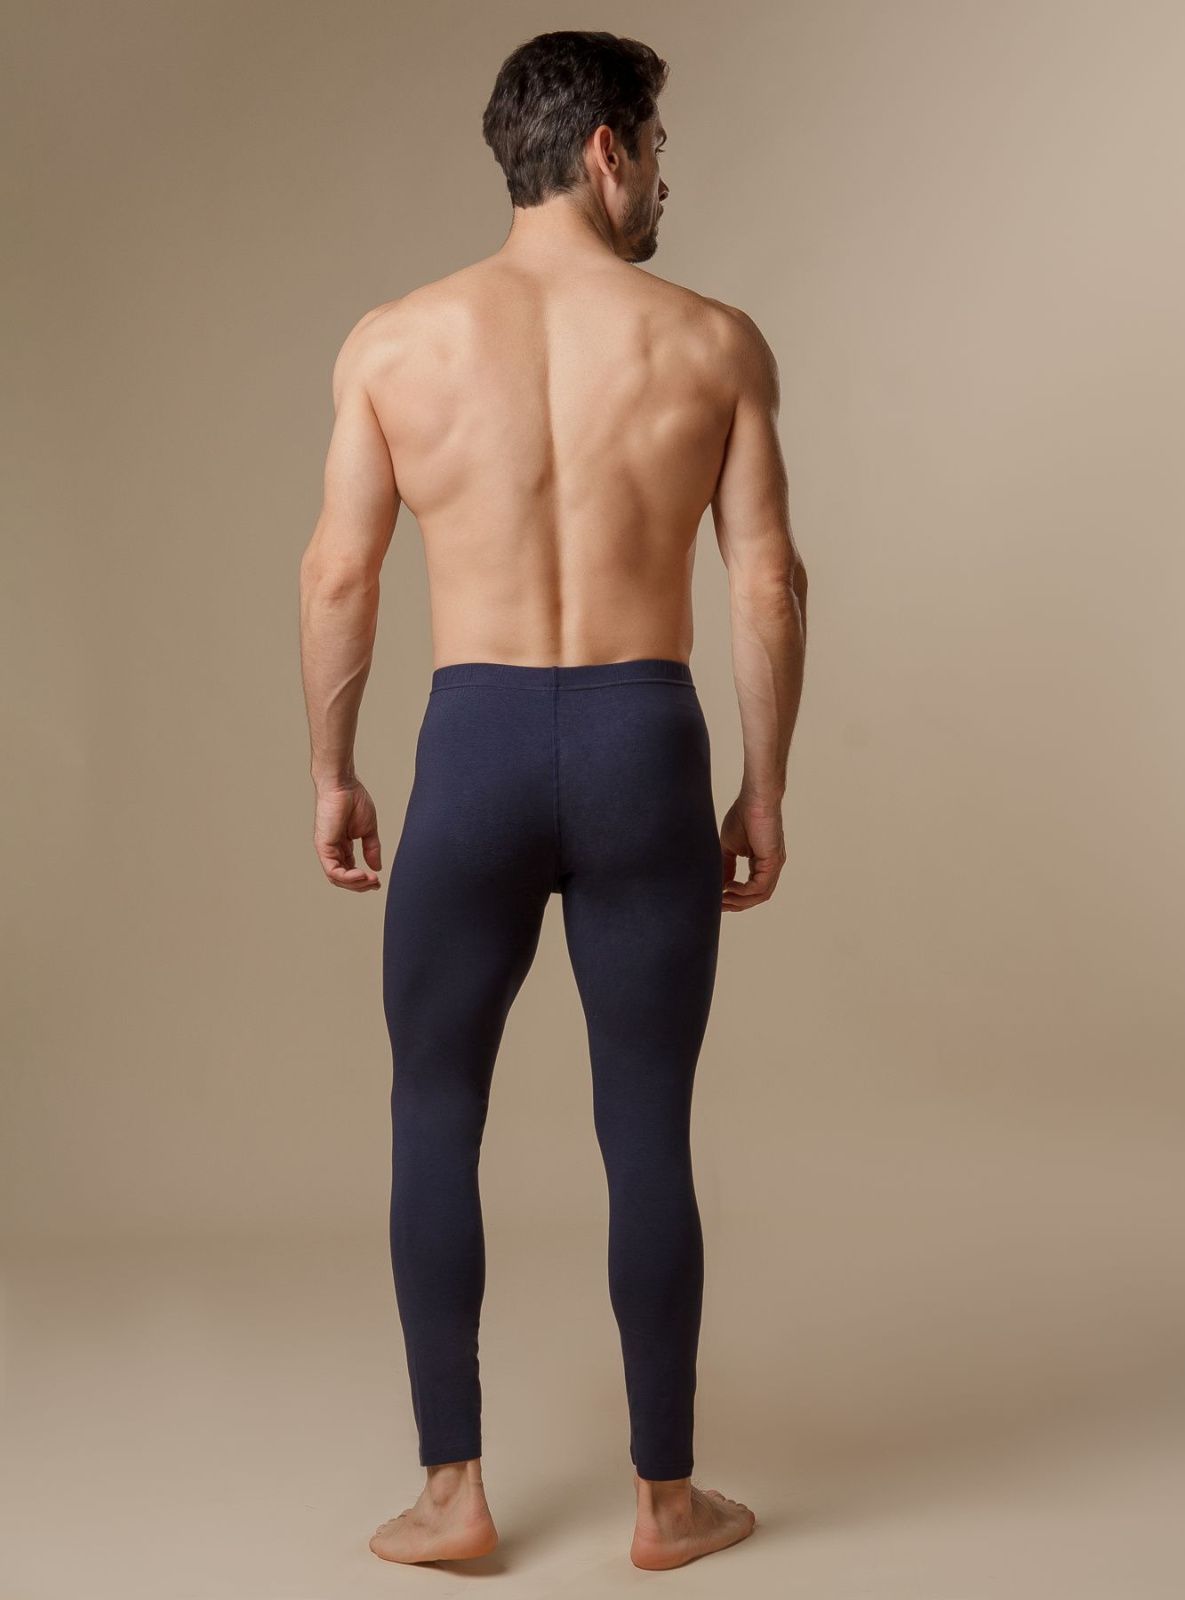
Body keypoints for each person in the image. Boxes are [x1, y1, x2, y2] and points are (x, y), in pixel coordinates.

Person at [298, 28, 807, 1573]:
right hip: (646, 744)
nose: (662, 179)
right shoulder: (711, 342)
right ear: (604, 151)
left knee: (432, 1111)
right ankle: (666, 1502)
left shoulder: (394, 343)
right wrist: (762, 786)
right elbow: (766, 584)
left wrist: (331, 769)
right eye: (655, 149)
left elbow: (338, 576)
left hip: (473, 748)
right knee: (645, 1125)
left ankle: (451, 1497)